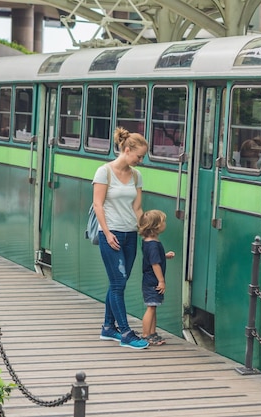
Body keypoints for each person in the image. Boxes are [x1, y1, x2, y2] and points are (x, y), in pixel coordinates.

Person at [94, 127, 149, 349]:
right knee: (117, 283)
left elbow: (137, 207)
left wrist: (145, 231)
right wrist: (107, 233)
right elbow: (98, 204)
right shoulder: (104, 172)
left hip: (130, 234)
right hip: (112, 233)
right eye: (139, 156)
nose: (141, 160)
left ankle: (108, 327)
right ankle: (125, 332)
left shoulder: (137, 176)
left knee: (120, 282)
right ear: (127, 150)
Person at [137, 209, 175, 345]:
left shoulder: (147, 241)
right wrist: (161, 281)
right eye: (163, 221)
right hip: (153, 281)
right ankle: (146, 334)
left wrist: (164, 256)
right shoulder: (153, 244)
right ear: (156, 226)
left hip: (149, 280)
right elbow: (154, 263)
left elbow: (152, 258)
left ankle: (152, 333)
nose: (165, 224)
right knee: (151, 307)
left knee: (153, 306)